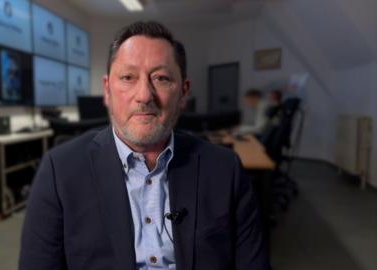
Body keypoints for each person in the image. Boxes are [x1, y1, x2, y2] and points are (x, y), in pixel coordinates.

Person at [19, 21, 270, 270]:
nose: (144, 95)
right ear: (107, 89)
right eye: (128, 77)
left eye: (161, 78)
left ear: (183, 92)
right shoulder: (59, 171)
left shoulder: (225, 169)